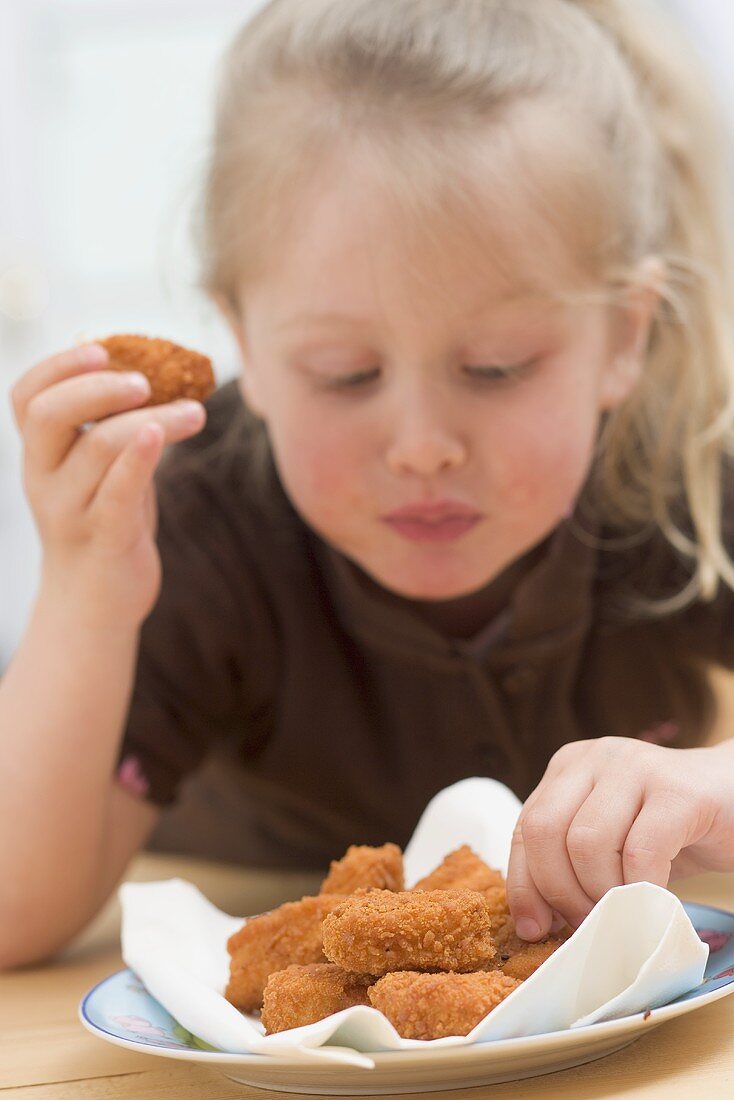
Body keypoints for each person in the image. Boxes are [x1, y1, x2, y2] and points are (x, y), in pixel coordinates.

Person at [3, 0, 734, 969]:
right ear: (246, 344)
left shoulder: (676, 466)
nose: (421, 447)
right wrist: (86, 597)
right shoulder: (198, 517)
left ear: (623, 336)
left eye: (496, 365)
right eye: (345, 373)